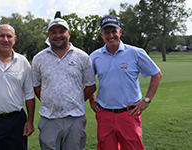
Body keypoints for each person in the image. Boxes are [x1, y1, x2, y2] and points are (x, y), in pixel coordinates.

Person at [89, 15, 162, 150]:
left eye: (114, 31)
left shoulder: (135, 52)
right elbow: (87, 80)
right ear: (102, 35)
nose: (111, 35)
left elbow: (157, 74)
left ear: (120, 32)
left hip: (129, 114)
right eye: (107, 32)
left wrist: (146, 100)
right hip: (104, 114)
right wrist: (92, 100)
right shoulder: (94, 56)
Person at [31, 18, 96, 150]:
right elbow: (36, 86)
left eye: (62, 31)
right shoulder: (38, 58)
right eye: (53, 32)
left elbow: (91, 86)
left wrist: (75, 100)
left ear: (69, 33)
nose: (57, 35)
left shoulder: (82, 57)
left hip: (75, 118)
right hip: (49, 118)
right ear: (49, 35)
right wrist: (49, 101)